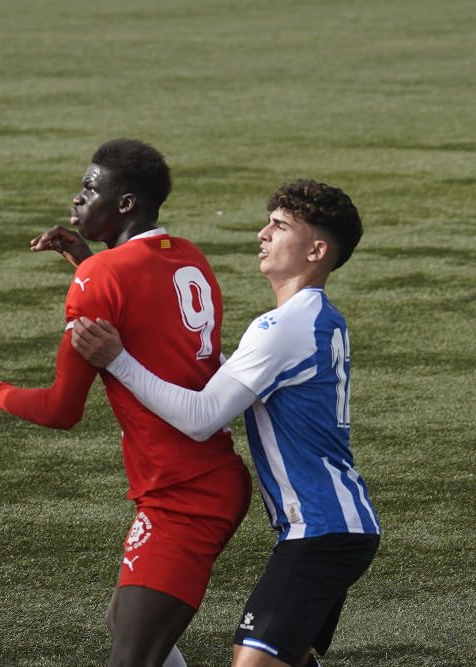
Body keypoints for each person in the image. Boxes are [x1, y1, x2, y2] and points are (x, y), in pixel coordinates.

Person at [0, 139, 251, 667]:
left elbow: (62, 409)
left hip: (183, 492)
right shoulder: (188, 255)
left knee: (130, 656)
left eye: (90, 190)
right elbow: (148, 320)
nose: (76, 200)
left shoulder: (102, 278)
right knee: (127, 626)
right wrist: (87, 262)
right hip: (208, 474)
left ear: (126, 204)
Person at [70, 179, 379, 667]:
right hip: (335, 524)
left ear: (317, 249)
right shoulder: (318, 317)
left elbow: (200, 416)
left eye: (279, 227)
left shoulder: (282, 327)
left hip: (320, 530)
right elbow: (208, 371)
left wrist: (117, 359)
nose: (262, 234)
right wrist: (97, 269)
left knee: (252, 662)